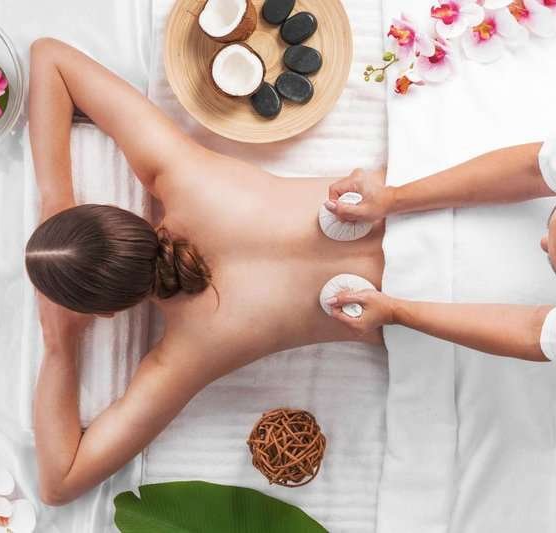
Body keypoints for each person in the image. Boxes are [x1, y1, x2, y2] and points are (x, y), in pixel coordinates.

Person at [25, 38, 385, 506]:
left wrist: (60, 346)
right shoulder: (179, 172)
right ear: (125, 213)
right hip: (433, 206)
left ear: (111, 313)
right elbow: (50, 57)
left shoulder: (187, 355)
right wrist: (56, 202)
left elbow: (61, 480)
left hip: (432, 298)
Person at [324, 92, 556, 428]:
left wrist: (398, 312)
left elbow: (535, 331)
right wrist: (393, 198)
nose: (542, 242)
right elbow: (535, 168)